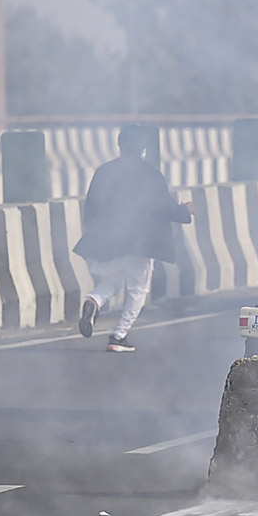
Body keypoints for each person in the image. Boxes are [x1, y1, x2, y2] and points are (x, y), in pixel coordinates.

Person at [74, 126, 194, 353]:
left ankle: (93, 301)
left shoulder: (104, 171)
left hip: (110, 241)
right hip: (141, 242)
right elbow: (165, 208)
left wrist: (97, 237)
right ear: (143, 149)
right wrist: (185, 211)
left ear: (119, 145)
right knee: (138, 290)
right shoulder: (151, 174)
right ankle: (118, 336)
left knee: (111, 281)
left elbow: (91, 209)